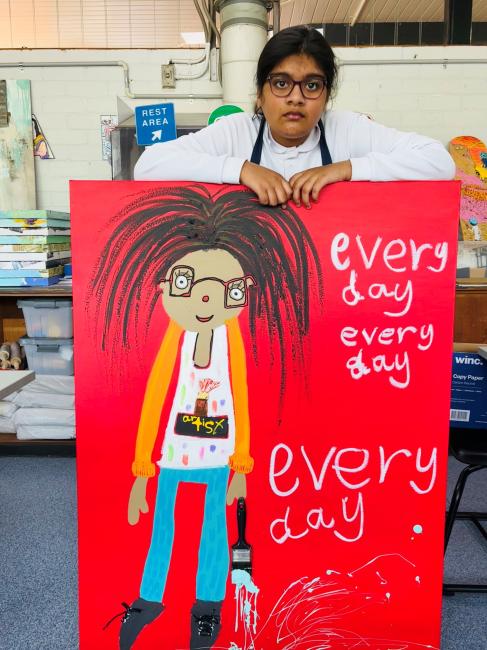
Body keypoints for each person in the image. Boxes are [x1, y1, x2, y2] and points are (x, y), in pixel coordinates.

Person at [91, 185, 323, 649]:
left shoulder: (231, 339)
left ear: (238, 295)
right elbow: (156, 397)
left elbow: (239, 396)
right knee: (164, 526)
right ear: (167, 288)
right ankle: (149, 600)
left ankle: (207, 607)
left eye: (226, 290)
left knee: (213, 531)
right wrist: (142, 469)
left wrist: (241, 463)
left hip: (218, 451)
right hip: (175, 452)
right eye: (187, 284)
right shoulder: (174, 340)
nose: (205, 300)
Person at [134, 25, 455, 208]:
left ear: (327, 95)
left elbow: (439, 162)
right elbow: (147, 166)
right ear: (260, 93)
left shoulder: (348, 129)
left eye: (312, 85)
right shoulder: (235, 132)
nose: (296, 97)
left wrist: (345, 169)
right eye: (281, 83)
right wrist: (239, 169)